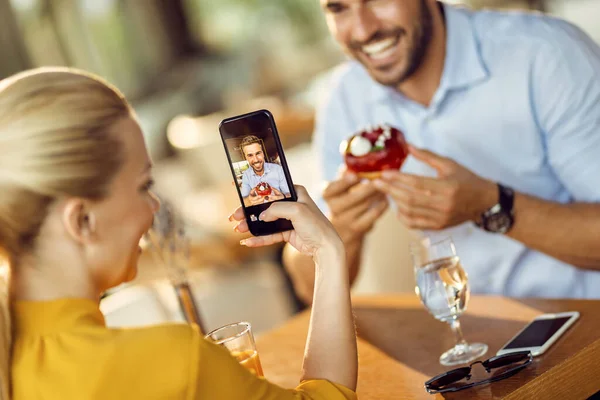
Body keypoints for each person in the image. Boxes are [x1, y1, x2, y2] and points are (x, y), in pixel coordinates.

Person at [0, 68, 357, 399]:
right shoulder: (173, 363)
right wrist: (328, 251)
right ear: (82, 221)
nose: (153, 207)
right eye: (144, 185)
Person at [284, 0, 600, 304]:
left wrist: (489, 204)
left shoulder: (546, 53)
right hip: (475, 332)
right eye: (338, 8)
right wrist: (343, 227)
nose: (363, 30)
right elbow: (307, 287)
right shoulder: (345, 98)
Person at [239, 135, 291, 206]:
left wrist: (284, 197)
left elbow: (289, 194)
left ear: (263, 153)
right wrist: (249, 200)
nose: (256, 160)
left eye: (258, 153)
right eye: (250, 155)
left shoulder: (278, 169)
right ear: (246, 157)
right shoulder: (246, 175)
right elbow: (244, 200)